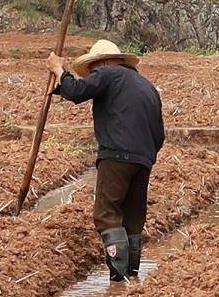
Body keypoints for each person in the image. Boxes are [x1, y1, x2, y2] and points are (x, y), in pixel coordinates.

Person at [49, 37, 164, 284]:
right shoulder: (146, 86)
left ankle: (118, 276)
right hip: (143, 159)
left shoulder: (109, 74)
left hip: (117, 155)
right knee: (133, 219)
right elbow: (159, 133)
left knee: (107, 214)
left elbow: (77, 91)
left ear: (105, 62)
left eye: (93, 70)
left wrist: (59, 70)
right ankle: (132, 275)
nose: (92, 74)